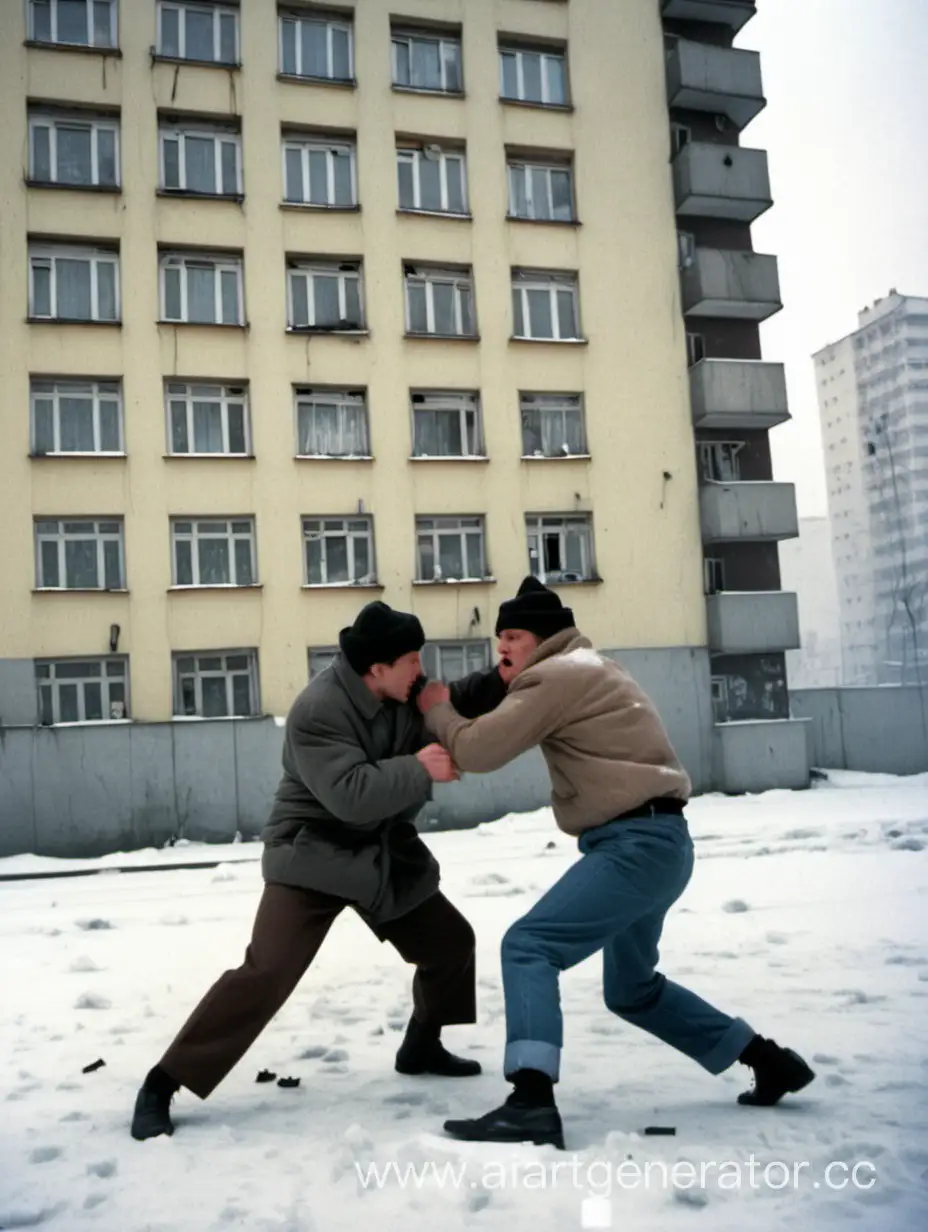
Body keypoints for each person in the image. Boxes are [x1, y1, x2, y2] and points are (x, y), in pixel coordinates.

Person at [416, 576, 815, 1148]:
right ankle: (768, 1060)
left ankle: (531, 1099)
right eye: (498, 637)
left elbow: (478, 750)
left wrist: (436, 711)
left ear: (544, 639)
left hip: (635, 846)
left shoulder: (557, 676)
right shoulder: (593, 668)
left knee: (529, 946)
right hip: (661, 843)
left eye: (513, 635)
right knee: (633, 990)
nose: (502, 647)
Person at [131, 601, 506, 1141]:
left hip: (379, 853)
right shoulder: (318, 709)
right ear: (376, 668)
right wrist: (418, 769)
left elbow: (454, 699)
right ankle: (164, 1082)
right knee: (267, 973)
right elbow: (350, 795)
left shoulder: (401, 691)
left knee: (451, 943)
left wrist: (502, 678)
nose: (420, 669)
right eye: (410, 660)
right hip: (312, 855)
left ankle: (422, 1044)